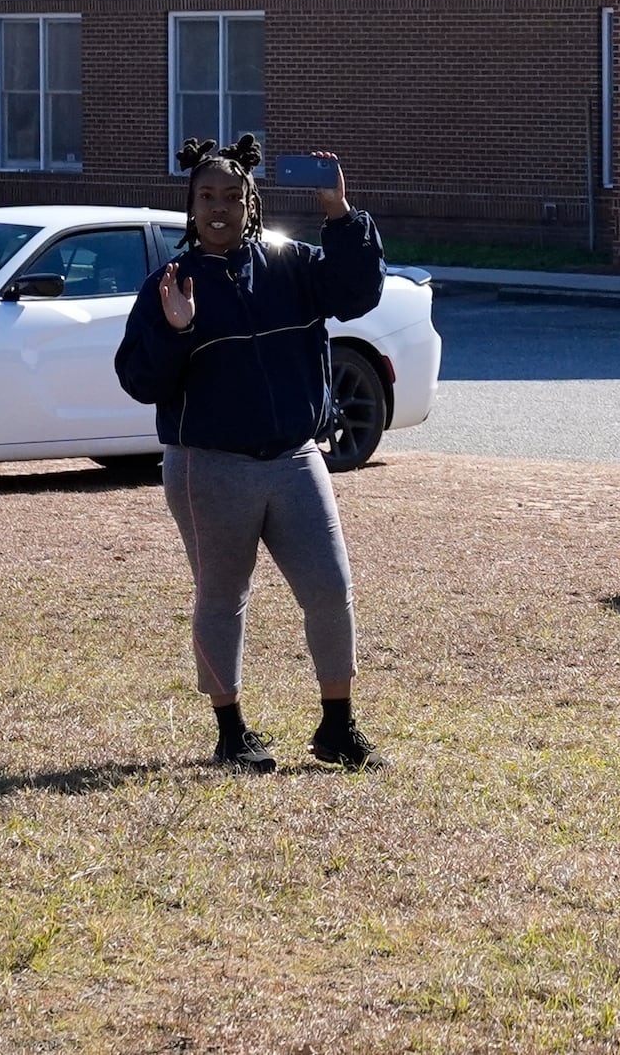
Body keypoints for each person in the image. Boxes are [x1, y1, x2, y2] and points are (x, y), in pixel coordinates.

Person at [115, 136, 389, 773]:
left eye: (232, 196)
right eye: (206, 197)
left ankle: (338, 727)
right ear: (190, 206)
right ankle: (231, 733)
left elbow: (358, 291)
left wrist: (341, 212)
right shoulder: (169, 284)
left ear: (252, 202)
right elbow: (140, 382)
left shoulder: (290, 263)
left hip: (295, 459)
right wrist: (178, 330)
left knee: (331, 589)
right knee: (222, 596)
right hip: (209, 465)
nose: (219, 208)